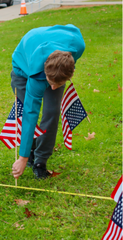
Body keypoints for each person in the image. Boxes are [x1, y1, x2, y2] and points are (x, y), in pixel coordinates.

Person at [10, 25, 85, 180]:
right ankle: (29, 152)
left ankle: (40, 161)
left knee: (52, 112)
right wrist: (22, 158)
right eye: (49, 82)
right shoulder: (37, 75)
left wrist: (57, 81)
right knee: (26, 113)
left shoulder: (78, 46)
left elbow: (71, 28)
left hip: (56, 65)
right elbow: (31, 114)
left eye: (56, 84)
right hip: (23, 67)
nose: (51, 88)